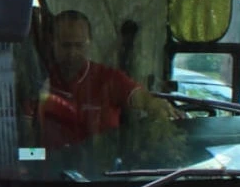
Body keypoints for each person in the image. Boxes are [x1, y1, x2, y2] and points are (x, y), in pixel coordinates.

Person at [29, 10, 158, 145]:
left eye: (79, 45)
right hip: (52, 163)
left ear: (89, 43)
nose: (72, 53)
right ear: (53, 43)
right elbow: (27, 146)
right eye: (66, 45)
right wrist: (31, 161)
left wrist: (154, 104)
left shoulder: (109, 79)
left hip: (102, 164)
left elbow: (140, 97)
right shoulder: (39, 82)